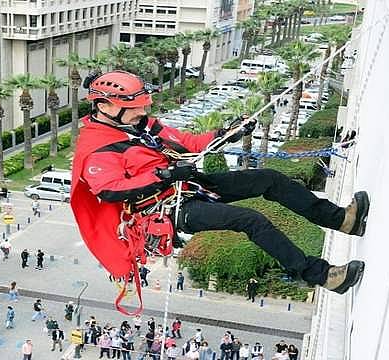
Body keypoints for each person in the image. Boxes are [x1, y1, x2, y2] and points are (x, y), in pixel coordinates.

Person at [70, 70, 369, 301]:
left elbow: (187, 143)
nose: (142, 112)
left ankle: (342, 220)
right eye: (134, 107)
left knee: (270, 179)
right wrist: (164, 176)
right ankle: (323, 276)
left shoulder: (142, 126)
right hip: (166, 210)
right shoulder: (96, 146)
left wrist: (226, 134)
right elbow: (110, 190)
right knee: (250, 220)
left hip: (188, 185)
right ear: (103, 105)